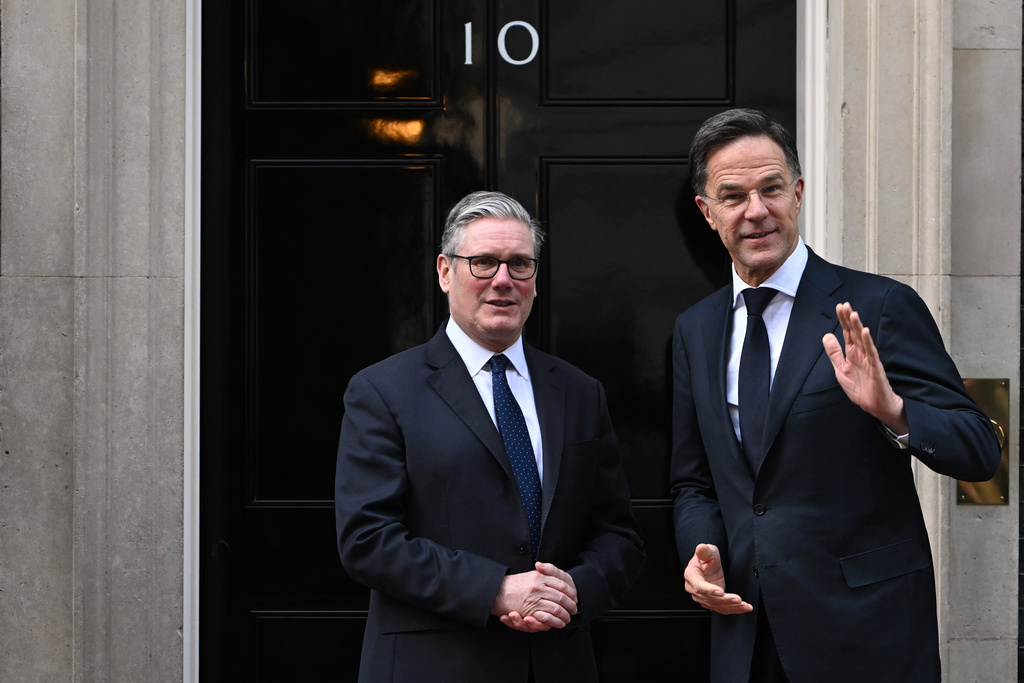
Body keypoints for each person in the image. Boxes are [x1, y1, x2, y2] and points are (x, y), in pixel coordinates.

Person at [670, 108, 1001, 682]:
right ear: (707, 211)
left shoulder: (879, 307)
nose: (756, 211)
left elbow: (979, 450)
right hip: (746, 636)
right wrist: (702, 554)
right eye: (733, 196)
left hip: (865, 633)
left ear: (797, 193)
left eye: (771, 188)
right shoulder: (695, 331)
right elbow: (694, 482)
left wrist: (893, 411)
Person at [335, 190, 644, 683]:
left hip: (557, 663)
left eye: (519, 264)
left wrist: (573, 592)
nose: (503, 281)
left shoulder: (580, 393)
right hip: (433, 666)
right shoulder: (381, 390)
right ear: (444, 271)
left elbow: (618, 535)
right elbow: (368, 540)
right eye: (483, 263)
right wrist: (496, 589)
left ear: (535, 279)